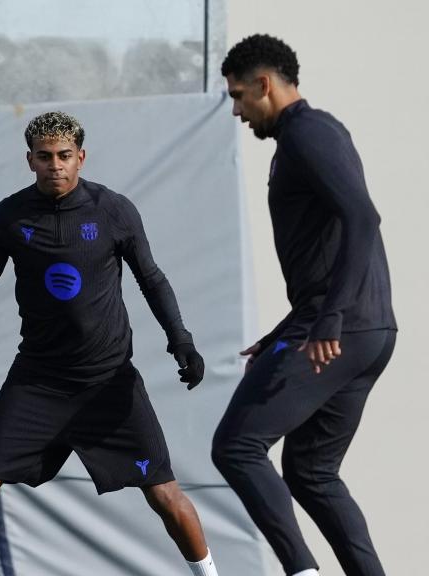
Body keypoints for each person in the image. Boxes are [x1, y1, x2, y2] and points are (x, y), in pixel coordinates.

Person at [0, 111, 218, 576]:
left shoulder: (113, 211)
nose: (55, 166)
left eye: (64, 156)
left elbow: (152, 279)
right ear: (30, 161)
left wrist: (181, 340)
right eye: (44, 157)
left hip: (108, 383)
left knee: (164, 494)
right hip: (38, 381)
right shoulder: (9, 216)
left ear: (81, 157)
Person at [212, 34, 397, 576]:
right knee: (311, 470)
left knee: (237, 446)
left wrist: (327, 320)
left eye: (240, 96)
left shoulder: (308, 134)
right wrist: (283, 331)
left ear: (265, 85)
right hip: (364, 330)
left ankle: (301, 572)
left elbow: (363, 218)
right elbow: (329, 250)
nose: (239, 111)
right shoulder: (314, 134)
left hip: (338, 329)